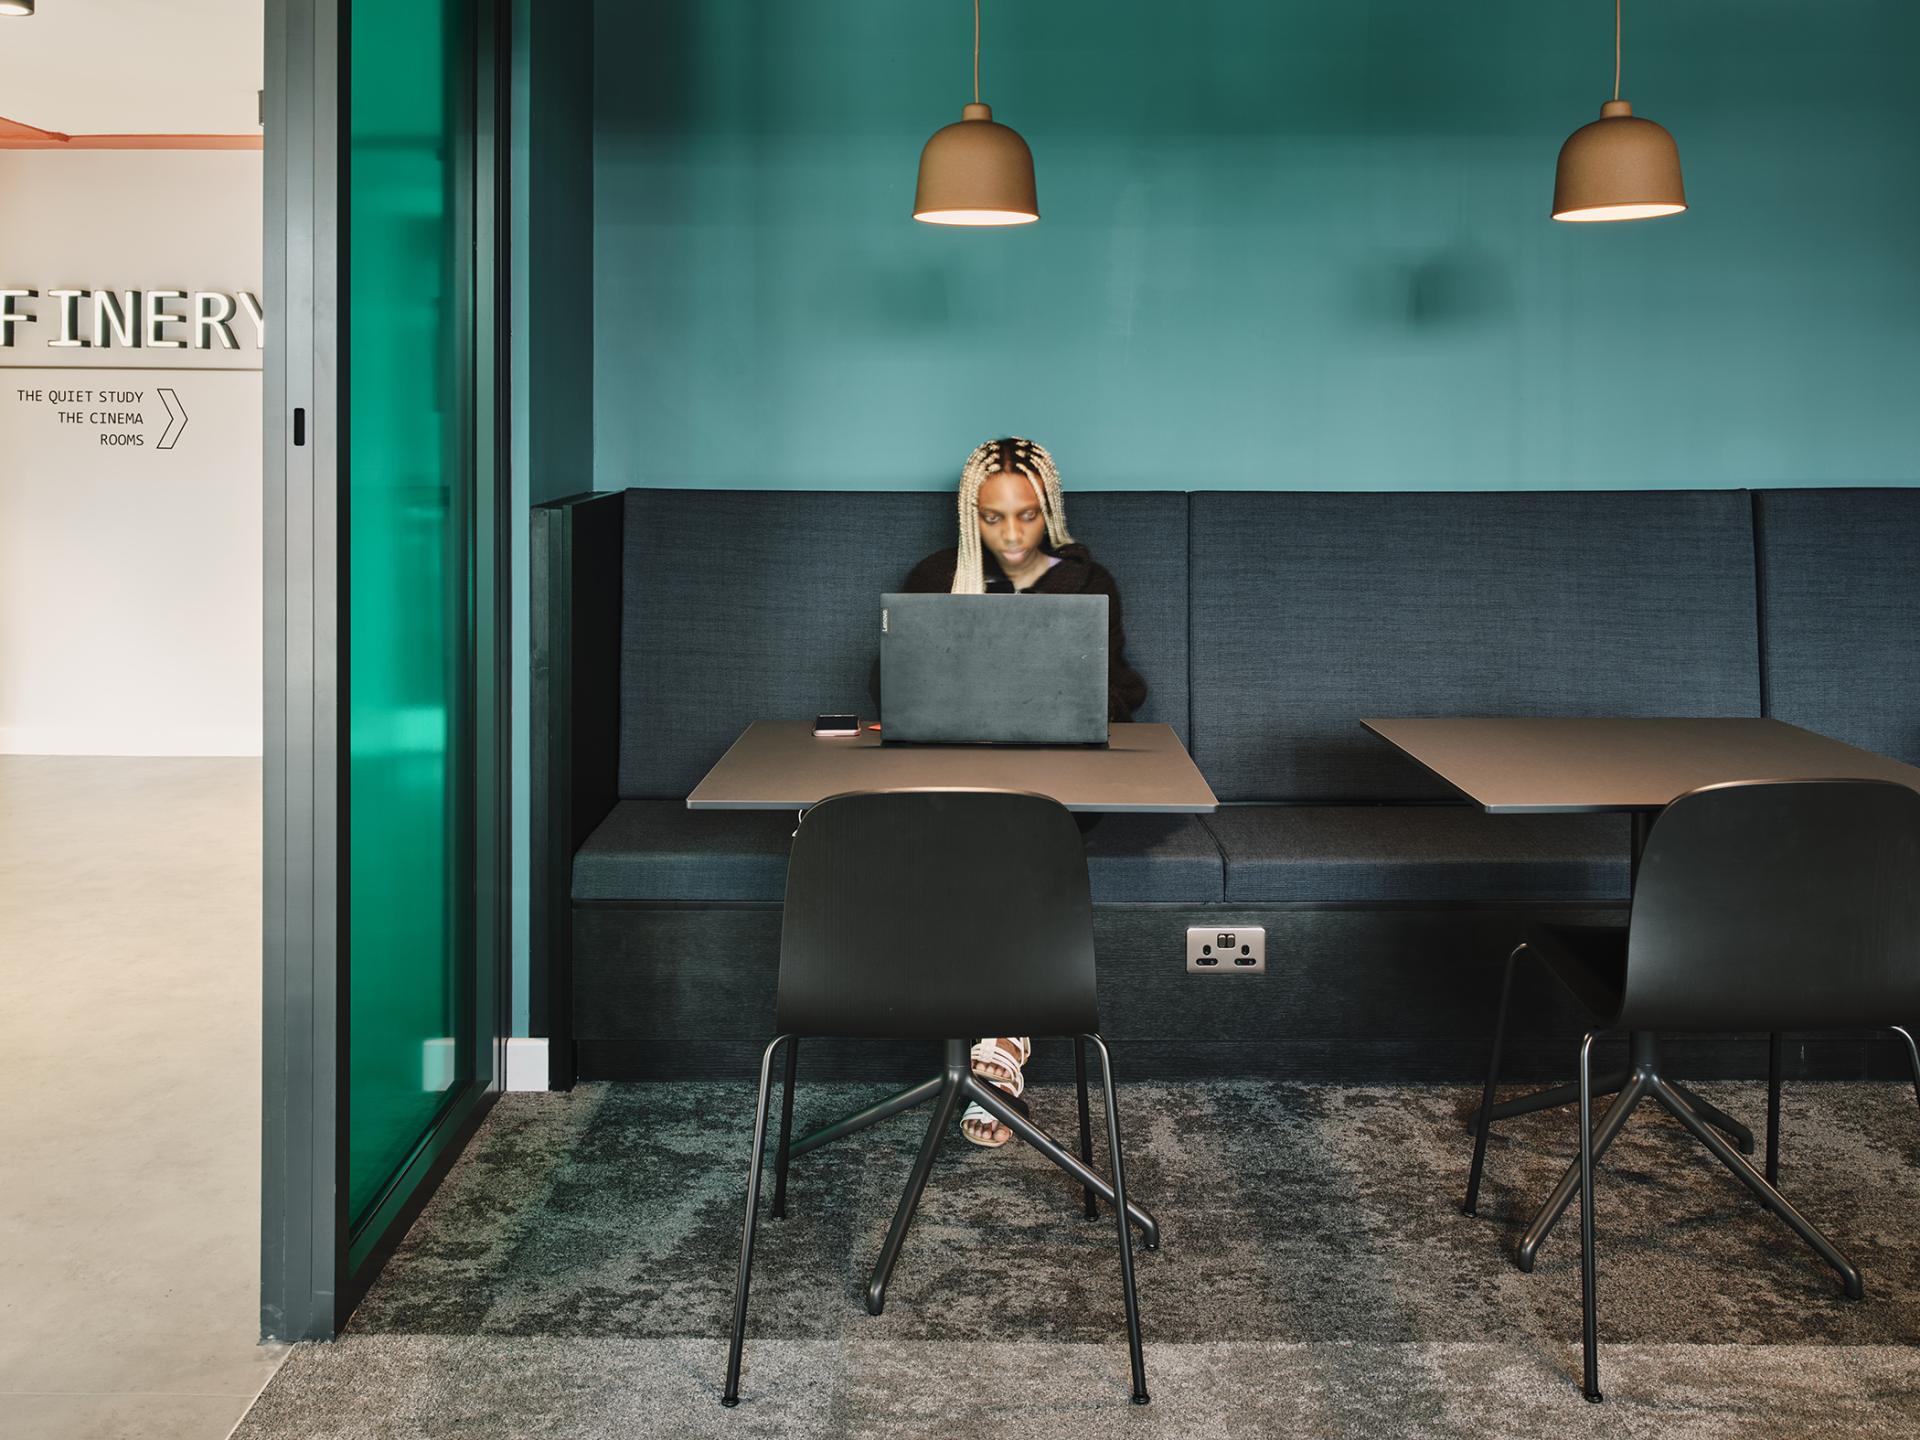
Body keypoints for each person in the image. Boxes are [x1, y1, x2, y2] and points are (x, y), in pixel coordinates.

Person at [893, 436, 1147, 1147]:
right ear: (969, 515)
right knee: (964, 822)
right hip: (955, 769)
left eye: (1027, 515)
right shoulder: (935, 576)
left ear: (1050, 511)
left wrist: (1068, 701)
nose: (1010, 533)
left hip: (1058, 775)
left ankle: (995, 1042)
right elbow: (894, 680)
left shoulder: (1087, 581)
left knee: (1012, 827)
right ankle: (999, 1040)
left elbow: (1120, 690)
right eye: (993, 516)